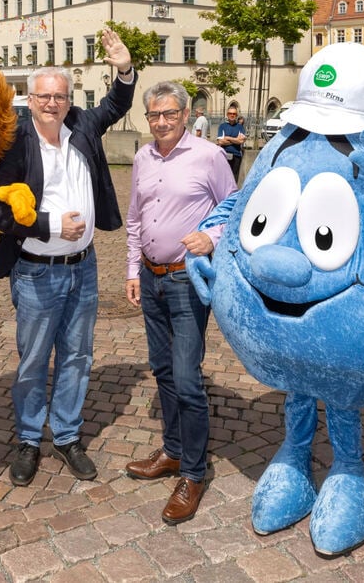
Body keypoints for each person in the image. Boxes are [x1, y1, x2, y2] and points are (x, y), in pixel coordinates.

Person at [0, 27, 137, 487]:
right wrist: (50, 225)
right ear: (29, 100)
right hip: (35, 270)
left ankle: (67, 436)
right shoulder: (14, 142)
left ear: (70, 101)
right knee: (33, 360)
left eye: (60, 97)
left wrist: (125, 68)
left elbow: (117, 104)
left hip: (83, 267)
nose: (52, 104)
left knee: (77, 356)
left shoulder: (82, 127)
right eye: (44, 96)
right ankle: (29, 440)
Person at [124, 81, 238, 524]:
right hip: (151, 278)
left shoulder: (209, 156)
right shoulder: (142, 156)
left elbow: (235, 210)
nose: (162, 122)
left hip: (186, 281)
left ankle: (193, 472)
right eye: (154, 115)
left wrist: (210, 237)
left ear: (186, 115)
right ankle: (172, 451)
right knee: (164, 370)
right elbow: (135, 217)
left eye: (170, 114)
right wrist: (133, 270)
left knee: (188, 378)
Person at [217, 108, 246, 180]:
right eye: (230, 113)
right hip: (224, 154)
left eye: (234, 114)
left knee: (233, 178)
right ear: (227, 115)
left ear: (236, 115)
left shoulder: (240, 127)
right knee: (224, 178)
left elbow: (241, 141)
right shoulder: (222, 126)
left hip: (236, 156)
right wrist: (236, 139)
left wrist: (227, 138)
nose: (232, 115)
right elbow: (220, 142)